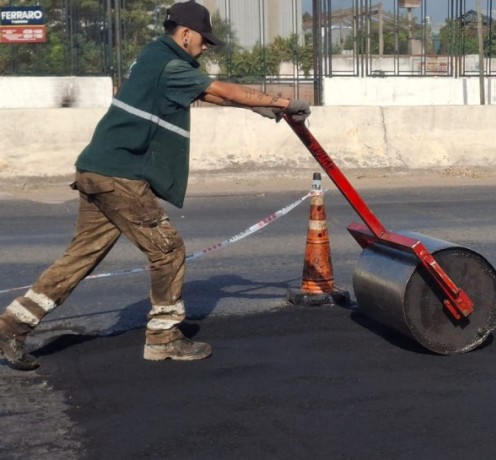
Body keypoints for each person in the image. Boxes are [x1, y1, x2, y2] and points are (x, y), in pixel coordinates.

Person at [0, 0, 310, 371]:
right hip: (120, 175)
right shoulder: (169, 62)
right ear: (185, 33)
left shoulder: (154, 58)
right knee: (168, 251)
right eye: (204, 40)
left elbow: (206, 93)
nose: (206, 47)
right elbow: (221, 90)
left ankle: (11, 327)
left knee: (80, 257)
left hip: (98, 169)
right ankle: (164, 338)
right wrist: (282, 101)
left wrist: (259, 107)